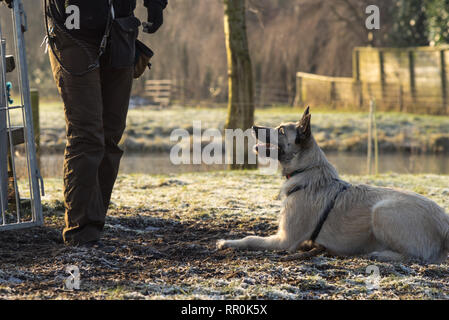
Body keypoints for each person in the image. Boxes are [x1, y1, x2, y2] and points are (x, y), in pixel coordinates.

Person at [41, 0, 167, 247]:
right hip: (72, 31)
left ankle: (94, 225)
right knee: (86, 135)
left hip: (120, 29)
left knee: (111, 133)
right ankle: (81, 232)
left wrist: (156, 3)